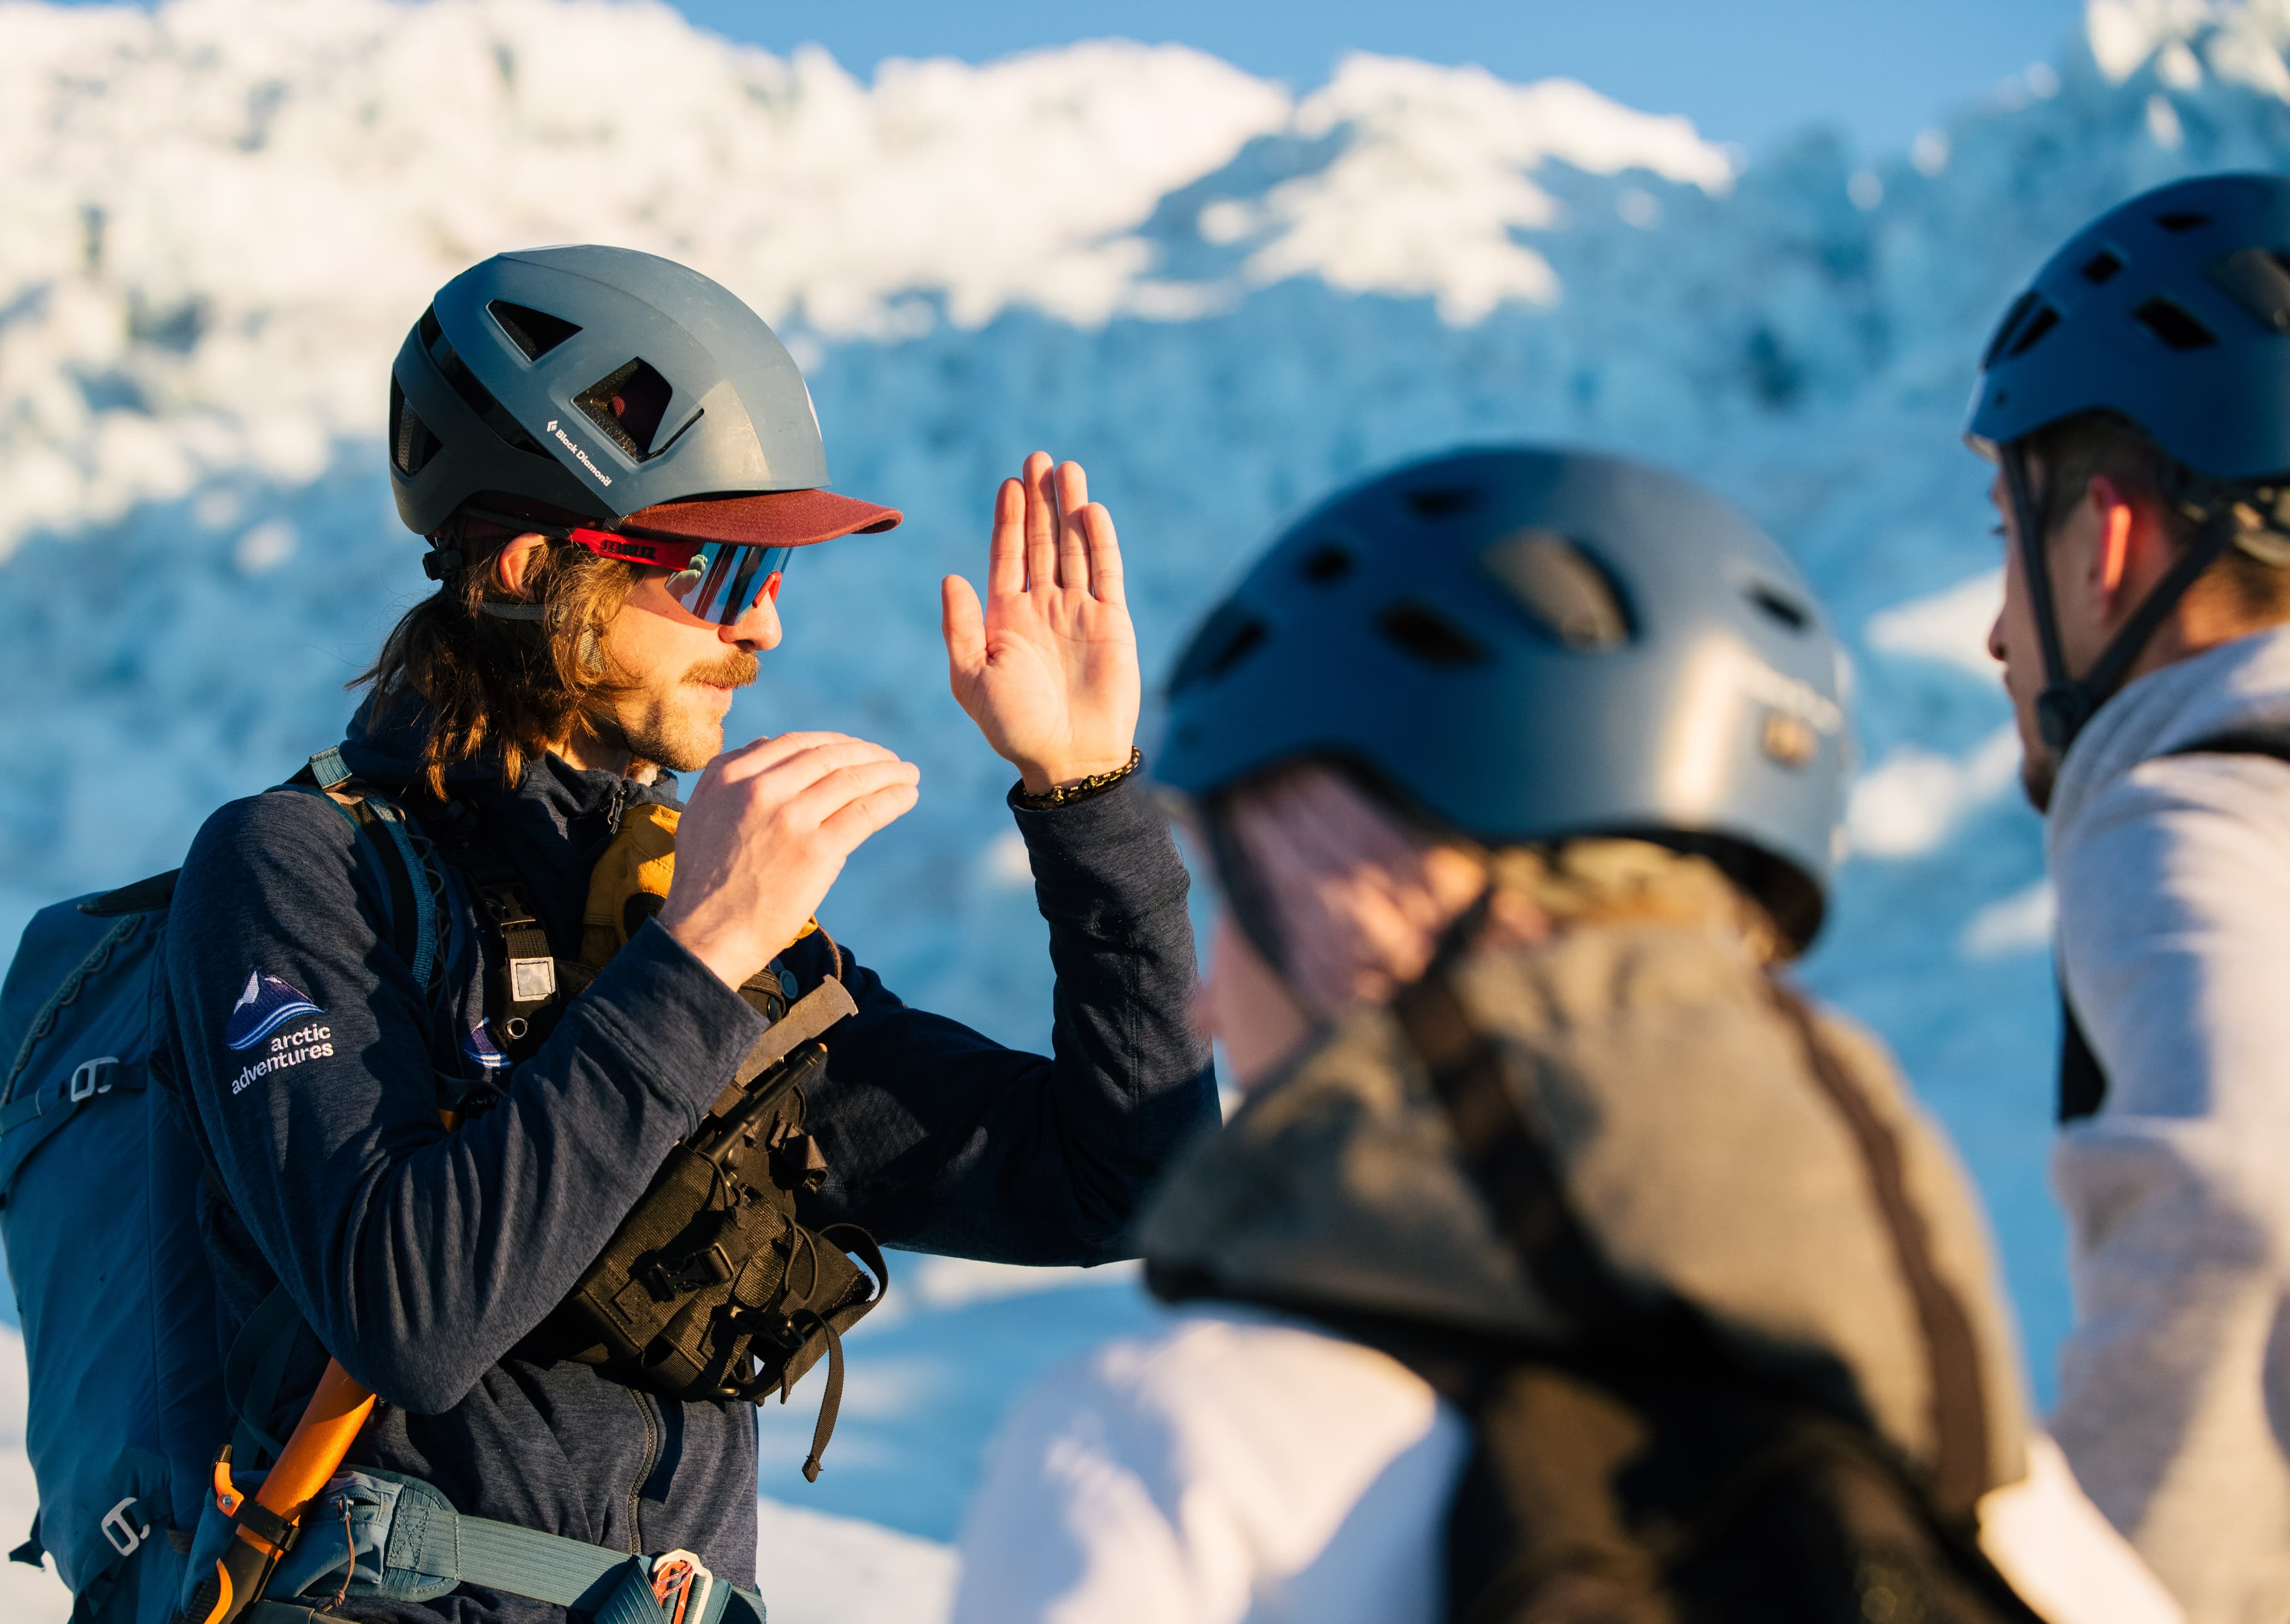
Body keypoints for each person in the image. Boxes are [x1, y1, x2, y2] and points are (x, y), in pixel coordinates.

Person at [162, 245, 1214, 1621]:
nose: (766, 624)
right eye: (718, 568)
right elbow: (407, 1313)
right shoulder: (302, 868)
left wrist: (1087, 802)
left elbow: (1128, 1186)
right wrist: (700, 956)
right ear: (535, 565)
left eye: (772, 570)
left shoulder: (685, 907)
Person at [948, 447, 2178, 1624]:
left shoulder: (1162, 1459)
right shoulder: (2002, 1497)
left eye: (1242, 898)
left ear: (1365, 912)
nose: (1208, 1002)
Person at [1965, 172, 2290, 1621]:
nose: (1994, 633)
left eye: (2003, 542)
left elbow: (2235, 1206)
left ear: (2105, 536)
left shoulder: (2197, 802)